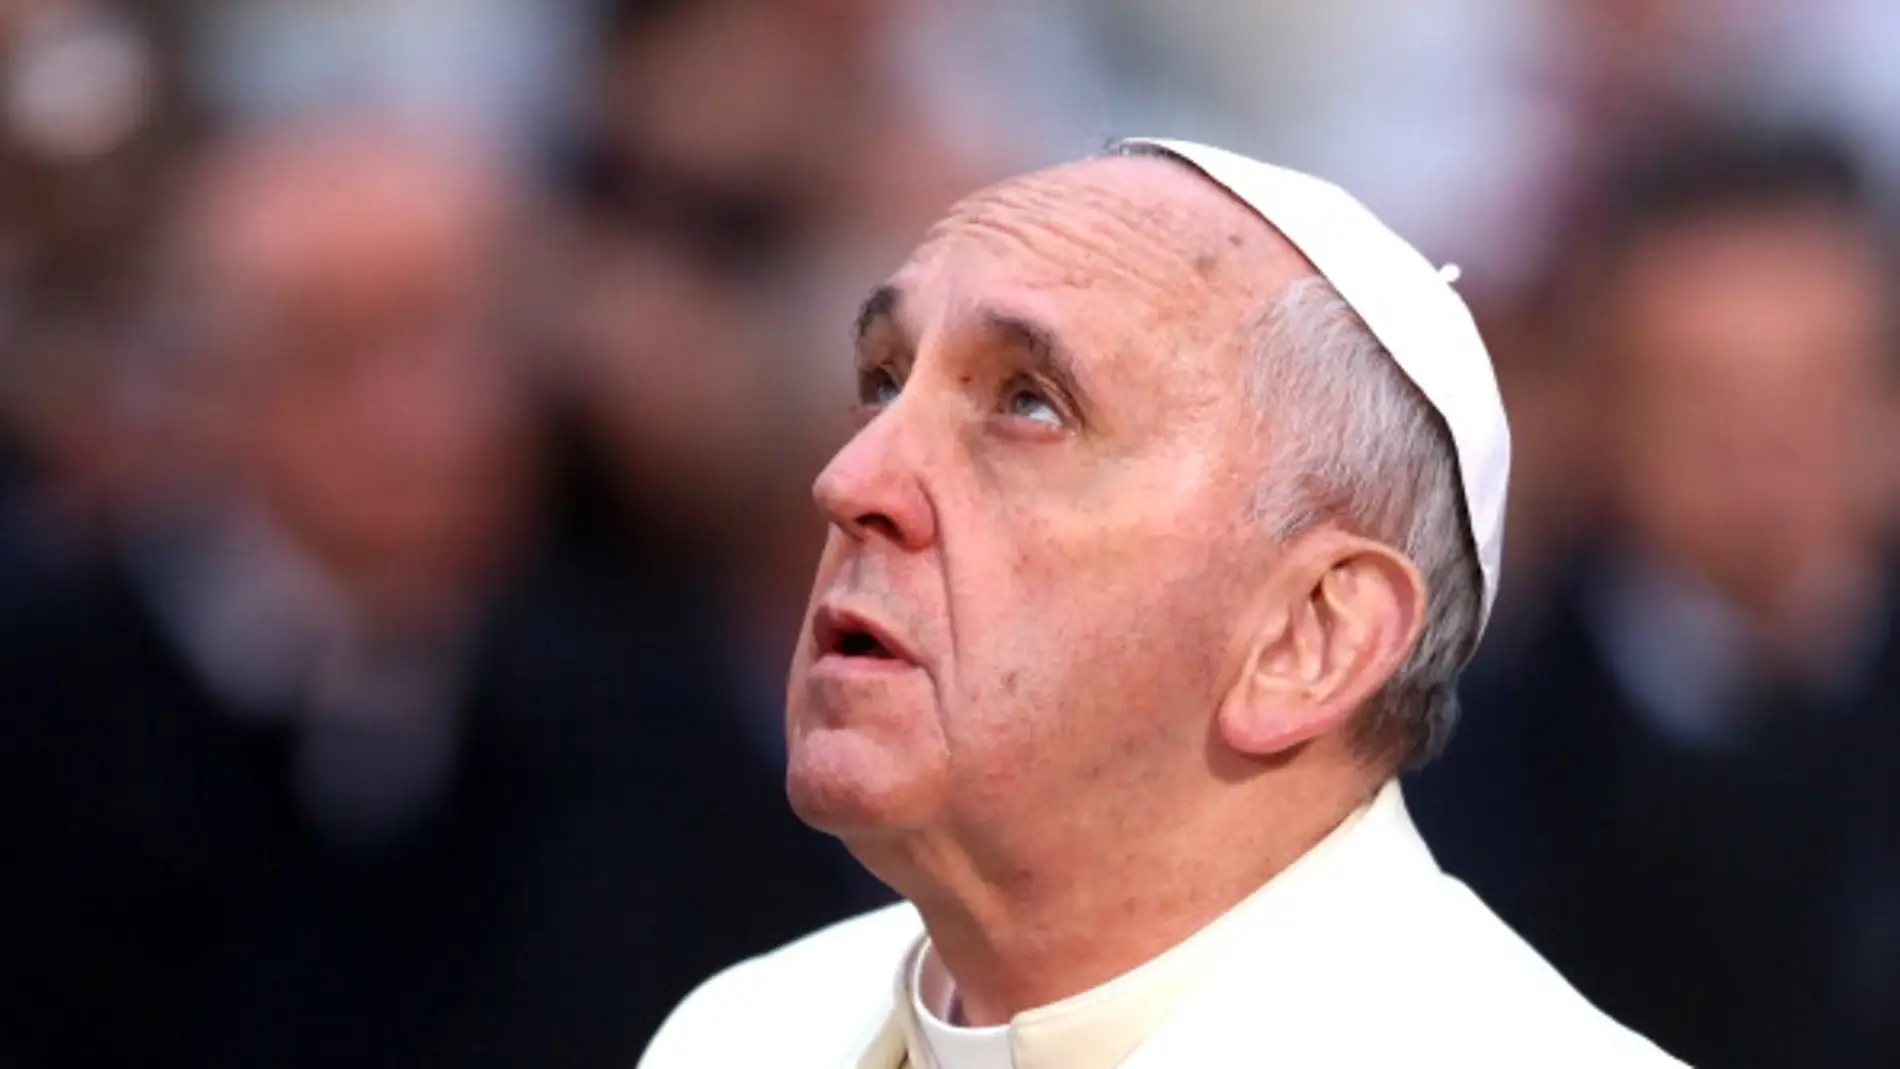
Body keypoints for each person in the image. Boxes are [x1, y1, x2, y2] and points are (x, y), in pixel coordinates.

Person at [638, 140, 1683, 1067]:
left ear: (1306, 638)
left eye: (1029, 403)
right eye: (882, 381)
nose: (851, 479)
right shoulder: (742, 1032)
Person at [1411, 125, 1900, 1069]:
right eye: (1703, 398)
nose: (1764, 454)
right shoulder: (1461, 765)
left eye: (1816, 392)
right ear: (1597, 405)